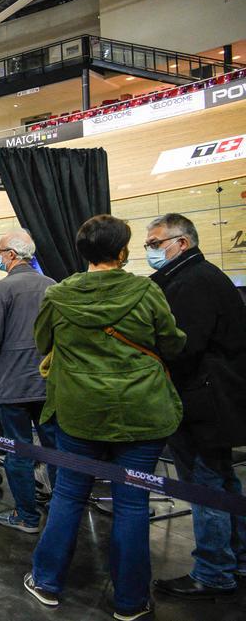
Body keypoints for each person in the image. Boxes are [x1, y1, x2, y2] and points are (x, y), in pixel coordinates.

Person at [26, 215, 186, 620]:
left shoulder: (58, 296)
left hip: (79, 412)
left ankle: (46, 581)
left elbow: (43, 342)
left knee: (68, 495)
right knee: (133, 503)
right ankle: (130, 602)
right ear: (123, 251)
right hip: (142, 412)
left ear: (82, 252)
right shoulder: (146, 291)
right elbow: (171, 342)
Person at [144, 214, 246, 599]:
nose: (150, 250)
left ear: (182, 242)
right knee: (221, 479)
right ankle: (237, 558)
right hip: (217, 397)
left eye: (155, 243)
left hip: (202, 400)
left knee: (204, 484)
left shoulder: (192, 282)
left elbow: (183, 345)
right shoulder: (199, 277)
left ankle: (214, 569)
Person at [0, 229, 58, 533]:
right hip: (48, 382)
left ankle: (27, 516)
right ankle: (62, 512)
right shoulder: (51, 285)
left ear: (11, 255)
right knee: (54, 449)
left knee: (18, 450)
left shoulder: (1, 290)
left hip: (12, 385)